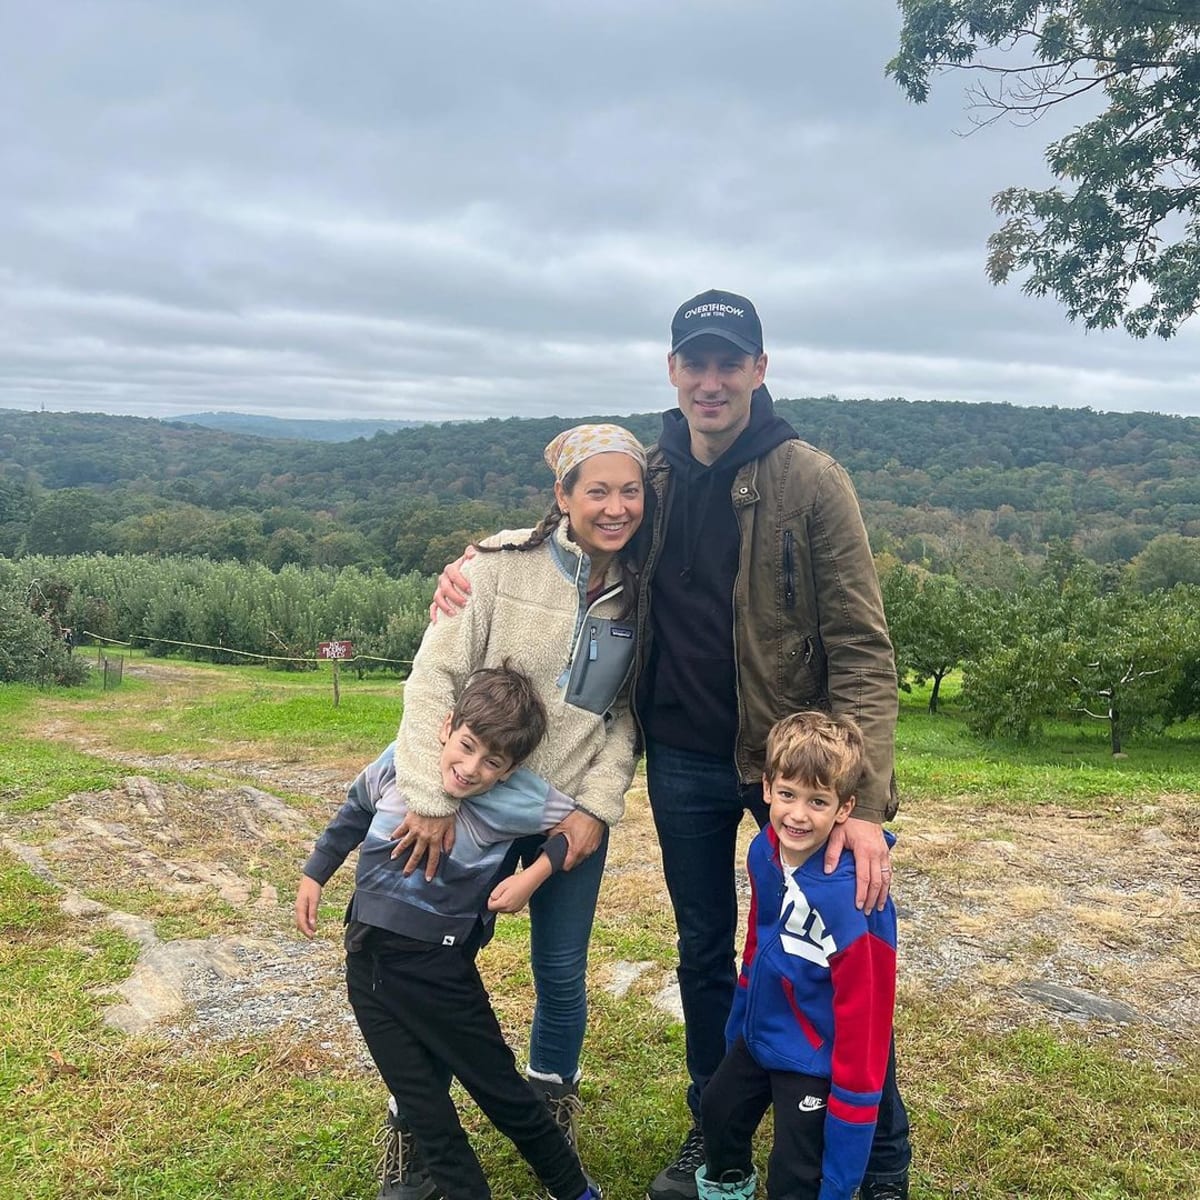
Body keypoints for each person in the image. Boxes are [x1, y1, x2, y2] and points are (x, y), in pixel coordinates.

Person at [431, 291, 911, 1200]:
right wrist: (472, 563)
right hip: (684, 760)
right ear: (673, 372)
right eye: (697, 361)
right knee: (705, 953)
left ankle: (880, 1153)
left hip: (796, 774)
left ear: (760, 371)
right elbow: (573, 530)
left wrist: (867, 808)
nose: (712, 380)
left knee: (834, 951)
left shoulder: (811, 481)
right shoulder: (647, 475)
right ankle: (714, 1128)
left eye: (731, 362)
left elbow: (861, 647)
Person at [384, 422, 648, 1198]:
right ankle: (414, 1130)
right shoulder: (497, 570)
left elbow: (627, 717)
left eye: (628, 490)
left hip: (564, 817)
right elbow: (433, 678)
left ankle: (550, 1101)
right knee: (434, 967)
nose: (614, 506)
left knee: (561, 973)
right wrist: (429, 799)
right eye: (595, 489)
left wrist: (596, 812)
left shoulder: (648, 585)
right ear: (562, 496)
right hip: (465, 809)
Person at [295, 663, 601, 1200]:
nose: (470, 768)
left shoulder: (521, 797)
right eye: (466, 745)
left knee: (502, 1091)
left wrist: (531, 877)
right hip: (364, 964)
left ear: (510, 770)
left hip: (439, 972)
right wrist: (315, 873)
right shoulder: (403, 760)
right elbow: (355, 807)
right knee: (426, 1113)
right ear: (446, 726)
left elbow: (576, 830)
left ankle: (574, 1190)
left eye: (492, 762)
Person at [695, 711, 896, 1200]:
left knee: (795, 1171)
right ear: (766, 789)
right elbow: (757, 947)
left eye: (818, 801)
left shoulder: (854, 901)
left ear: (845, 808)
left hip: (814, 1058)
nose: (798, 815)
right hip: (760, 1034)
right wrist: (738, 1025)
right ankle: (729, 1186)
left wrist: (842, 1173)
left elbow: (866, 1024)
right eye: (787, 794)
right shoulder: (763, 853)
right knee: (716, 1110)